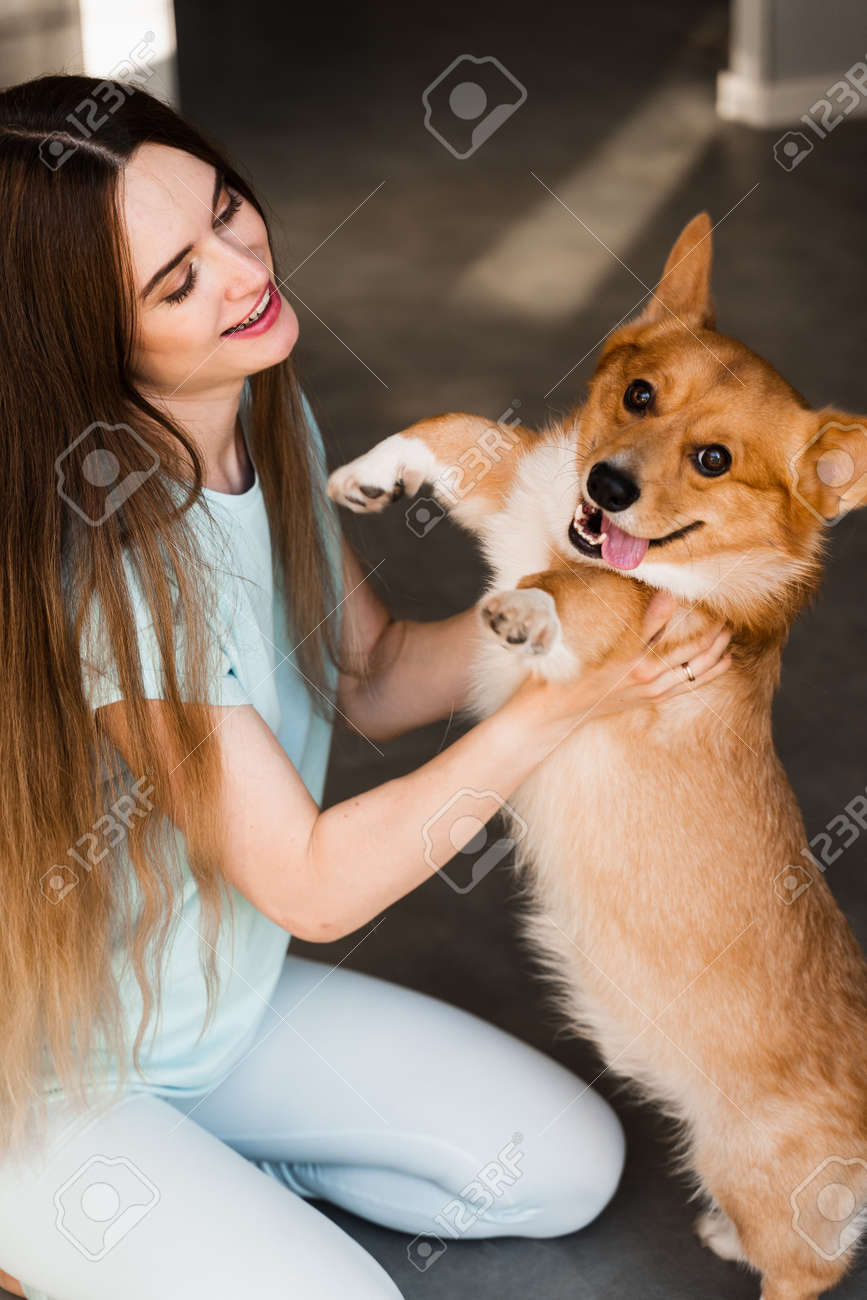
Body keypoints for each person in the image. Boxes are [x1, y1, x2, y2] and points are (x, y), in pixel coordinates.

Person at [0, 75, 731, 1300]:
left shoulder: (259, 420)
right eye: (176, 281)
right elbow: (314, 882)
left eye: (228, 212)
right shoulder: (118, 564)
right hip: (52, 1067)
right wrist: (564, 705)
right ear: (83, 338)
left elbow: (377, 674)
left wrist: (595, 610)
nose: (243, 270)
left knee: (559, 1167)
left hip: (207, 1018)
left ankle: (191, 1203)